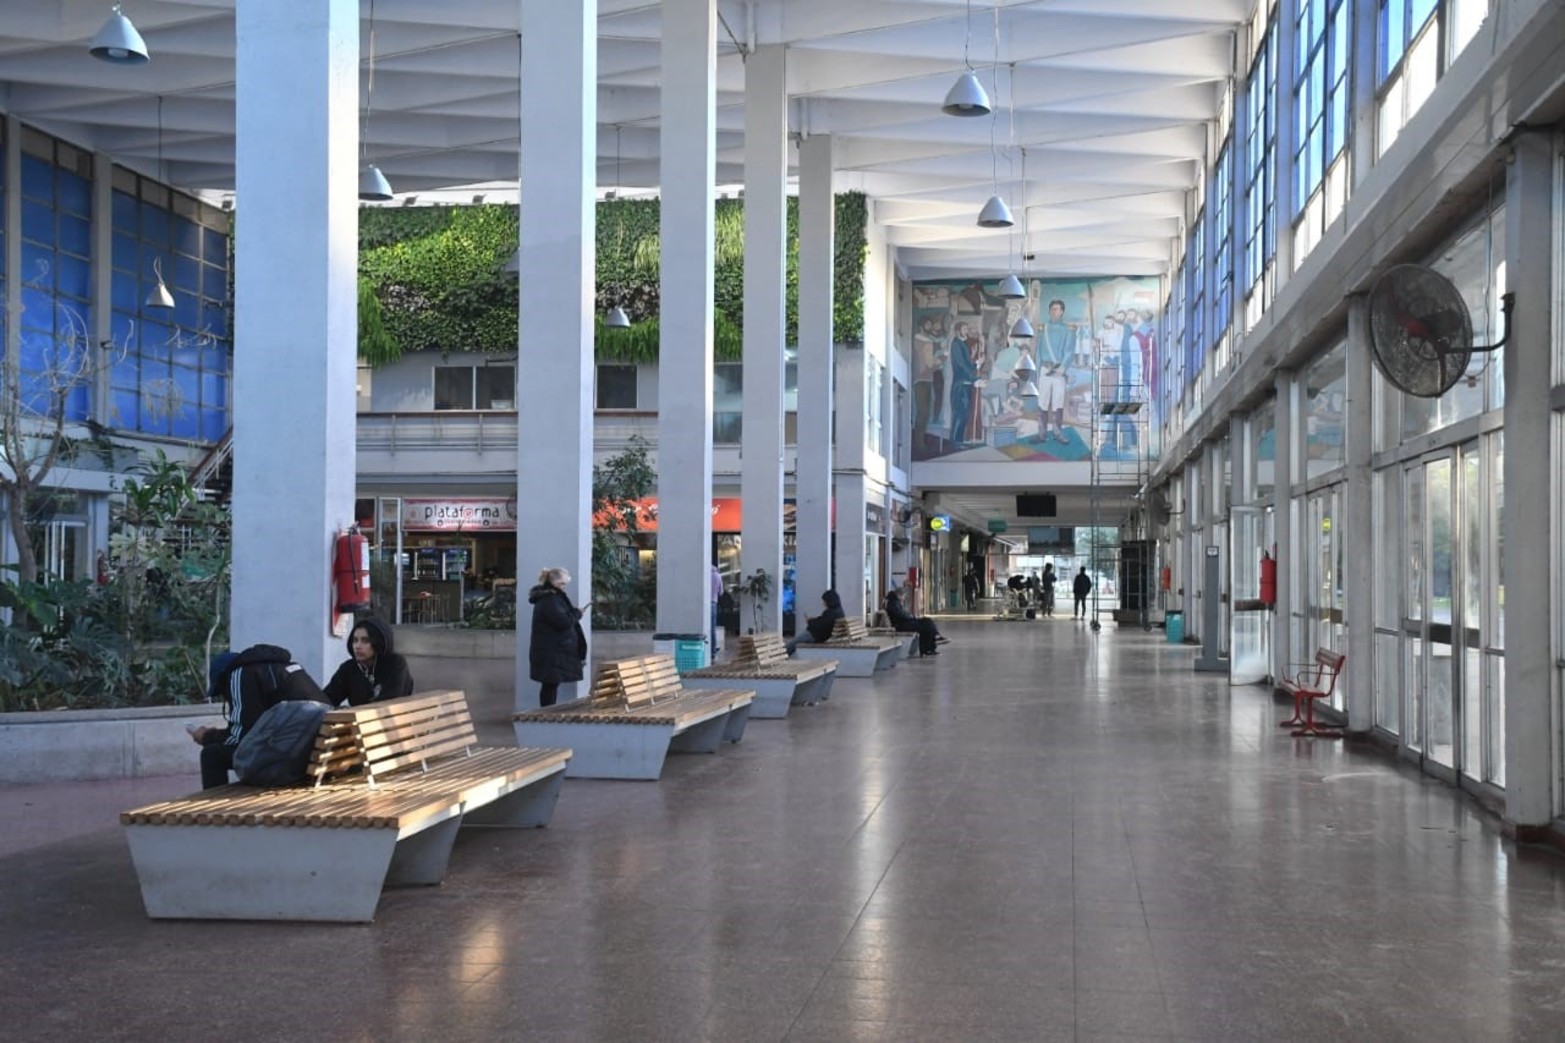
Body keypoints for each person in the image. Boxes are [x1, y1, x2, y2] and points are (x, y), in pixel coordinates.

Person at [189, 644, 327, 790]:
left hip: (289, 761)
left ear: (224, 676)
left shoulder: (239, 673)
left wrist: (206, 737)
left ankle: (213, 802)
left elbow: (241, 736)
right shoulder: (284, 668)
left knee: (211, 755)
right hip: (312, 757)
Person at [528, 566, 589, 707]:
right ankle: (546, 714)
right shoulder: (550, 600)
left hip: (551, 650)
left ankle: (547, 713)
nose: (564, 587)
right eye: (562, 584)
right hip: (552, 651)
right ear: (554, 582)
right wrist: (577, 613)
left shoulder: (548, 598)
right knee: (550, 686)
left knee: (550, 685)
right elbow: (563, 622)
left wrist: (574, 613)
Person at [323, 616, 413, 707]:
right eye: (355, 640)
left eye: (365, 641)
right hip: (358, 715)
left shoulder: (395, 664)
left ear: (378, 642)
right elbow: (327, 698)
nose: (357, 646)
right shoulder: (349, 668)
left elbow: (388, 703)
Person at [884, 590, 947, 656]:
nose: (903, 598)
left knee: (927, 621)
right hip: (902, 625)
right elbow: (901, 615)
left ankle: (933, 641)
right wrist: (911, 617)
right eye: (903, 596)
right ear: (899, 595)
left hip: (905, 623)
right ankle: (930, 646)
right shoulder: (893, 604)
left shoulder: (895, 602)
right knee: (926, 625)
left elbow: (903, 614)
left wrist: (911, 616)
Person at [787, 589, 844, 655]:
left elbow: (820, 625)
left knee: (793, 643)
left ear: (829, 601)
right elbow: (824, 621)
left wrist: (810, 621)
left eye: (824, 601)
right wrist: (813, 620)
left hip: (816, 636)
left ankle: (784, 655)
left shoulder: (831, 613)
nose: (823, 603)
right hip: (822, 635)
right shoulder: (838, 611)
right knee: (796, 640)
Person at [710, 562, 724, 657]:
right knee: (712, 628)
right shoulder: (718, 576)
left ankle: (707, 648)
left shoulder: (704, 574)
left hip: (703, 604)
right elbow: (721, 592)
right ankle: (713, 650)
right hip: (713, 603)